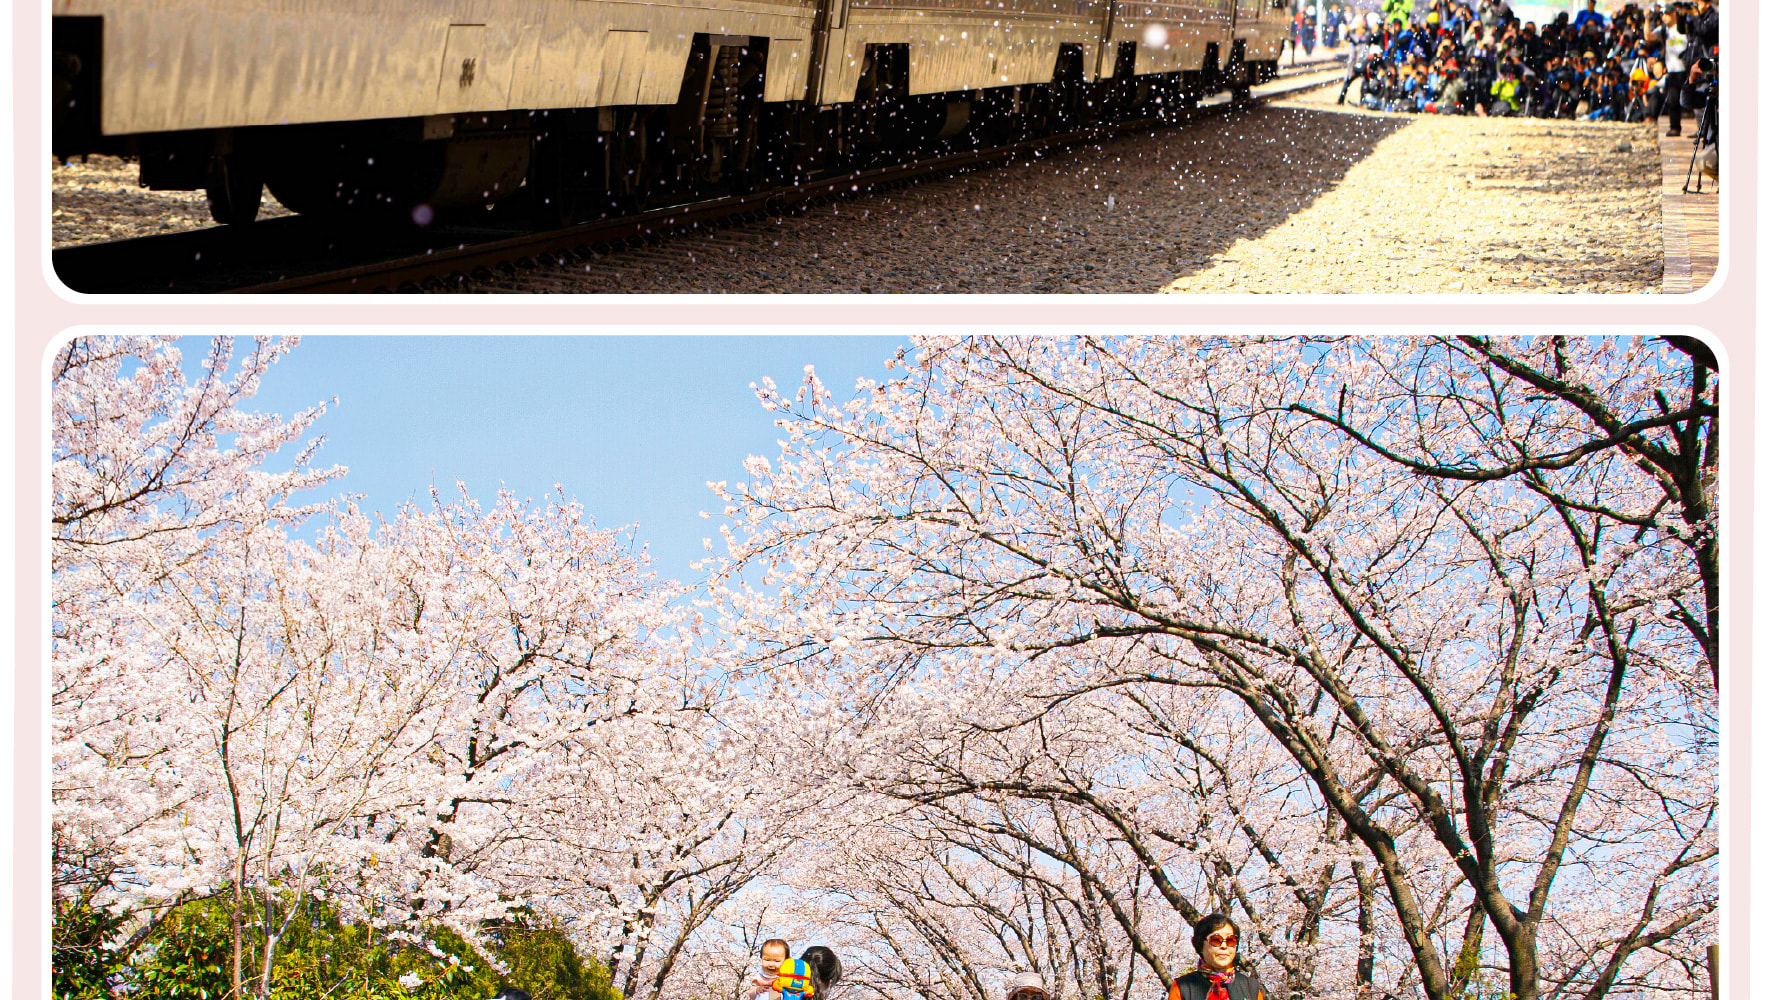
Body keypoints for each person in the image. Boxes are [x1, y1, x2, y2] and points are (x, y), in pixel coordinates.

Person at [1165, 915, 1267, 1000]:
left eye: (1230, 940)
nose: (1224, 946)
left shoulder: (1250, 987)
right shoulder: (1183, 987)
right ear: (1200, 945)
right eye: (1216, 940)